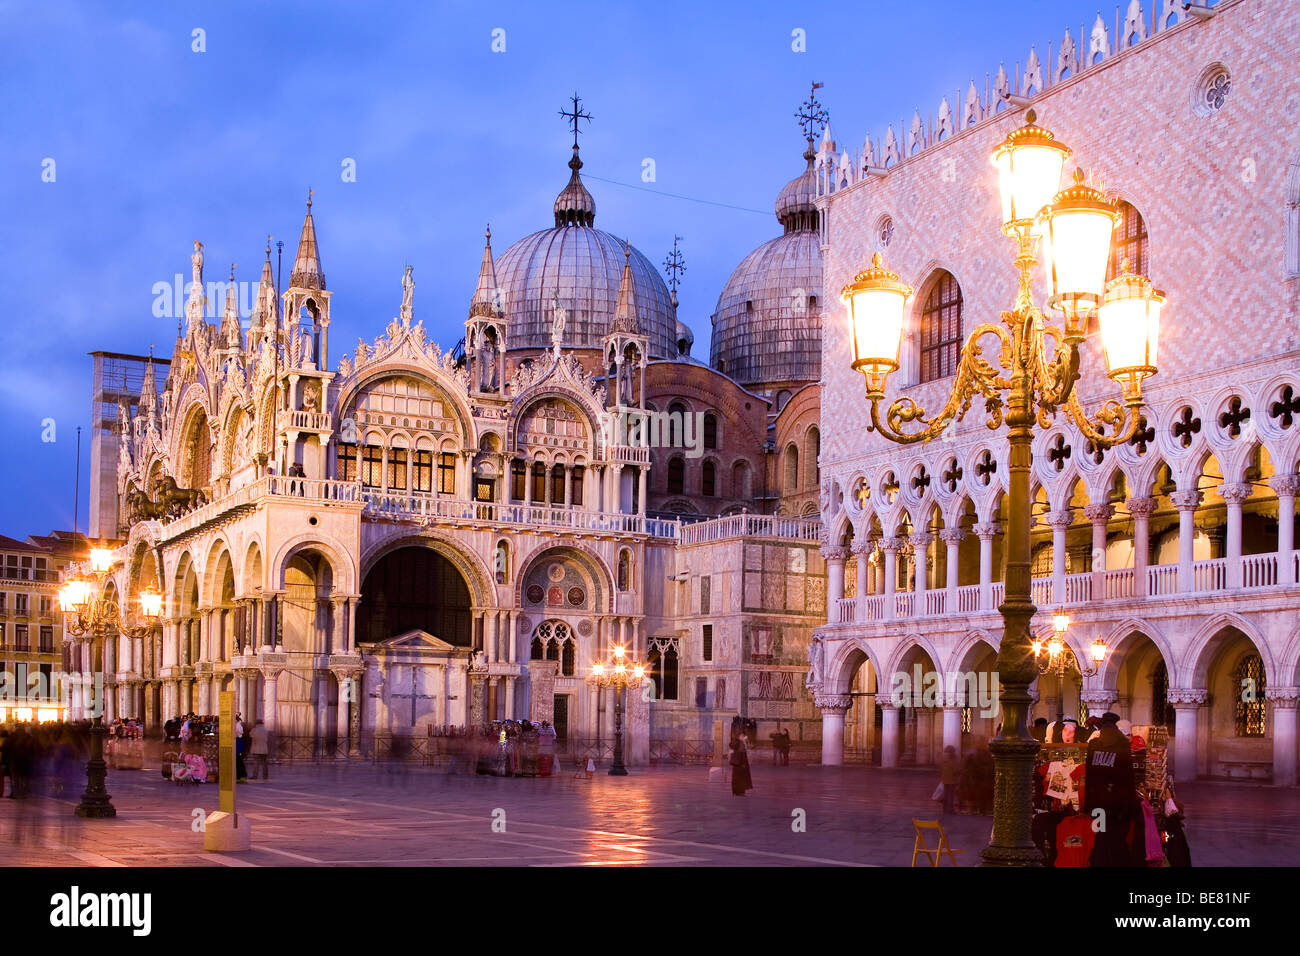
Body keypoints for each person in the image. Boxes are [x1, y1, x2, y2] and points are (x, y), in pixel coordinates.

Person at [1083, 712, 1138, 867]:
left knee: (1098, 835)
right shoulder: (1122, 745)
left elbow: (1089, 775)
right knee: (1116, 838)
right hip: (1117, 804)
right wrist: (1129, 806)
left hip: (1097, 802)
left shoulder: (1094, 745)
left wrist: (1087, 804)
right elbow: (1127, 777)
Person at [730, 732, 752, 796]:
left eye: (743, 736)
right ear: (739, 737)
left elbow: (748, 748)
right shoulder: (737, 742)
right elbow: (734, 746)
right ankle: (738, 791)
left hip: (742, 762)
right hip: (739, 762)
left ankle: (741, 791)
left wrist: (746, 742)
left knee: (742, 777)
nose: (743, 737)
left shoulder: (743, 742)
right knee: (738, 777)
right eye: (742, 736)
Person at [939, 745, 959, 815]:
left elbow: (940, 768)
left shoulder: (943, 758)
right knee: (951, 795)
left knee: (946, 794)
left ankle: (944, 809)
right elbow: (956, 770)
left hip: (945, 779)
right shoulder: (953, 759)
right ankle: (950, 810)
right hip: (952, 780)